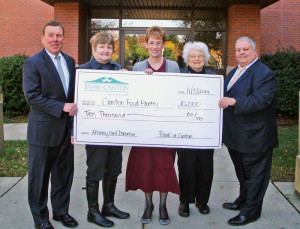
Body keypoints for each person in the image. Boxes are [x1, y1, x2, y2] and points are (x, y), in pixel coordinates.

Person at [23, 20, 78, 229]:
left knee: (63, 176)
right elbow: (32, 97)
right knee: (39, 180)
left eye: (59, 35)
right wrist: (61, 106)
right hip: (42, 132)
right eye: (51, 35)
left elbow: (73, 95)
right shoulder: (33, 63)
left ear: (63, 37)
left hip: (65, 132)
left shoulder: (70, 61)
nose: (55, 39)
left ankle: (61, 212)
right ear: (43, 39)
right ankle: (41, 220)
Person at [219, 36, 278, 226]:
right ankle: (243, 200)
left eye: (245, 49)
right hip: (237, 136)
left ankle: (251, 212)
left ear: (254, 51)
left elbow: (261, 100)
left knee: (255, 176)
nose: (241, 53)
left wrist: (235, 101)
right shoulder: (235, 72)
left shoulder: (263, 73)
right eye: (238, 50)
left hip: (255, 137)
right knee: (242, 173)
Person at [125, 26, 180, 226]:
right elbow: (133, 95)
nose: (155, 46)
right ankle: (148, 205)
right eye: (151, 43)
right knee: (146, 168)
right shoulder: (139, 67)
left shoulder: (173, 66)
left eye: (158, 43)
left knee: (165, 167)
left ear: (163, 45)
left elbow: (178, 94)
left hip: (166, 128)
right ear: (146, 44)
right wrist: (141, 81)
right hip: (145, 129)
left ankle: (163, 205)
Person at [76, 32, 130, 228]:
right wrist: (75, 130)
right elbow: (76, 103)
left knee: (113, 170)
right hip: (95, 131)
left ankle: (109, 205)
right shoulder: (82, 71)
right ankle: (93, 212)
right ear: (94, 48)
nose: (106, 50)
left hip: (115, 130)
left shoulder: (118, 70)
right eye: (102, 47)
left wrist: (130, 80)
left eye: (109, 47)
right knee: (95, 171)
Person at [177, 41, 215, 217]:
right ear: (187, 59)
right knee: (186, 167)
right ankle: (185, 202)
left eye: (200, 55)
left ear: (206, 58)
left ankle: (202, 201)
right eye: (193, 55)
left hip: (206, 132)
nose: (197, 58)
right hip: (185, 131)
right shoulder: (179, 76)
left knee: (206, 169)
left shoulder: (214, 78)